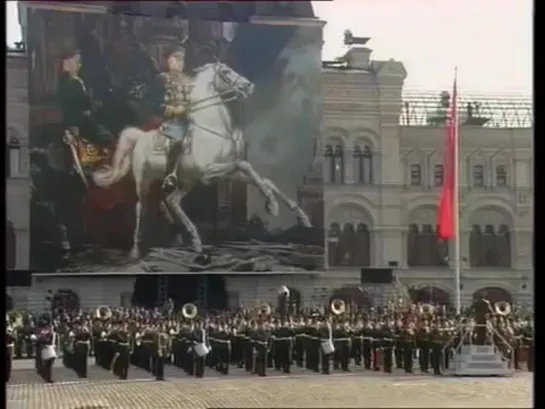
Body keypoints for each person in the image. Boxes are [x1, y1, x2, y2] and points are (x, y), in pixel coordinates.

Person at [147, 42, 195, 192]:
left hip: (191, 121)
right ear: (167, 60)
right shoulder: (160, 80)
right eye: (176, 58)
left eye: (182, 58)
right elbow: (153, 104)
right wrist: (174, 110)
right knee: (179, 139)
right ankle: (170, 175)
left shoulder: (191, 80)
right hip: (169, 122)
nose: (180, 62)